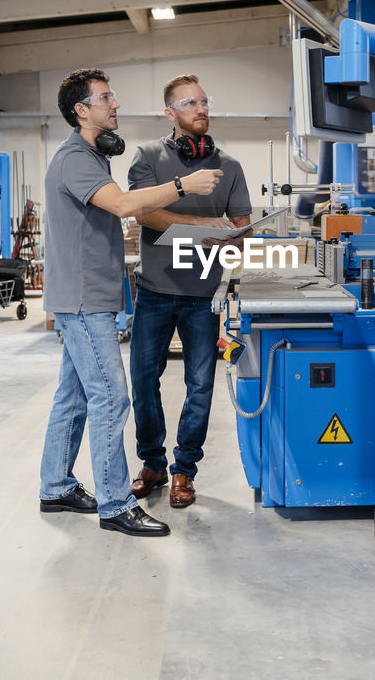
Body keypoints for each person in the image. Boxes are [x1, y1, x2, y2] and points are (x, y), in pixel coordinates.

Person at [39, 67, 222, 537]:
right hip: (84, 298)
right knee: (110, 398)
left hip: (88, 294)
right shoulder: (76, 158)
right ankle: (116, 505)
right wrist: (185, 185)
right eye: (105, 98)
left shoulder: (91, 158)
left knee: (74, 395)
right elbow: (123, 206)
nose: (114, 104)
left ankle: (56, 486)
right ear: (82, 111)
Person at [127, 74, 252, 508]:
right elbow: (145, 213)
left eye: (204, 101)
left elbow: (240, 226)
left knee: (201, 384)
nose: (201, 109)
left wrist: (236, 235)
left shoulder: (230, 166)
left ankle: (184, 471)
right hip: (155, 290)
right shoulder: (146, 157)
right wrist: (203, 226)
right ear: (170, 112)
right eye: (190, 103)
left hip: (204, 294)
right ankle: (152, 464)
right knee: (144, 382)